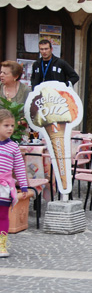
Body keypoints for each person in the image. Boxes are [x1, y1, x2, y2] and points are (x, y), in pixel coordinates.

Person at [0, 109, 29, 258]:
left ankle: (2, 245)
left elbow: (19, 167)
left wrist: (23, 186)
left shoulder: (13, 147)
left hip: (4, 187)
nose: (10, 128)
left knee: (3, 215)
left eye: (12, 126)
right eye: (6, 125)